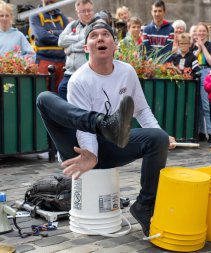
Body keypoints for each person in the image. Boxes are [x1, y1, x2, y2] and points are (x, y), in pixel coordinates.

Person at [36, 20, 176, 236]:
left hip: (113, 142)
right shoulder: (78, 80)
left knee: (157, 138)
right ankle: (101, 122)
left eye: (105, 35)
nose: (100, 38)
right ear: (85, 48)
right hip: (79, 148)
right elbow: (82, 129)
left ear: (114, 44)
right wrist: (90, 154)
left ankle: (145, 206)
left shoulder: (127, 72)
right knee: (44, 98)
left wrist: (162, 135)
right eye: (93, 36)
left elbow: (142, 110)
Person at [57, 0, 100, 100]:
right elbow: (61, 41)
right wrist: (80, 37)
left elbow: (89, 43)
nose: (87, 14)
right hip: (70, 72)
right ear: (77, 12)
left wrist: (70, 48)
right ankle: (69, 115)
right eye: (83, 11)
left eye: (89, 10)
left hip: (88, 72)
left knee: (84, 97)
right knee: (62, 89)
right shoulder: (73, 25)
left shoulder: (98, 24)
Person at [29, 0, 69, 92]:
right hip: (43, 61)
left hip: (62, 63)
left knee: (60, 96)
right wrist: (62, 38)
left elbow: (69, 34)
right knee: (42, 93)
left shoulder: (62, 17)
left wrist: (53, 32)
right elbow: (42, 36)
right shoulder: (35, 15)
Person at [191, 22, 211, 142]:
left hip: (206, 72)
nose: (201, 33)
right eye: (199, 31)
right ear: (195, 33)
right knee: (198, 106)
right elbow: (191, 59)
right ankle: (201, 132)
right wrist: (198, 48)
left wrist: (203, 46)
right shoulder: (192, 46)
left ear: (207, 32)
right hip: (194, 74)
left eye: (203, 31)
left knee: (206, 105)